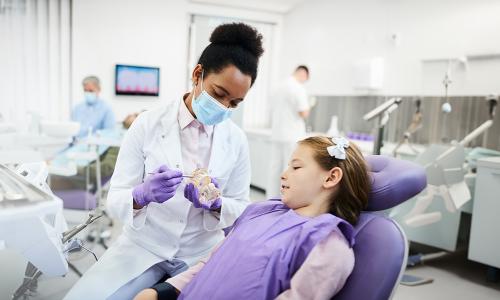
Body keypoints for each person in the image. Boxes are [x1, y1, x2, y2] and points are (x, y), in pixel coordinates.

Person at [64, 23, 264, 299]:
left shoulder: (236, 140)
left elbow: (241, 207)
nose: (224, 108)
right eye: (219, 94)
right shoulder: (147, 124)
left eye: (234, 103)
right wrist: (141, 195)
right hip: (144, 246)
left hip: (201, 250)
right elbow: (115, 199)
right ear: (198, 74)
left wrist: (217, 203)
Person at [134, 136, 371, 300]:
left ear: (330, 178)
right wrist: (162, 291)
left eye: (296, 168)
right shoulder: (261, 212)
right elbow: (209, 265)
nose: (283, 174)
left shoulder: (328, 246)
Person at [267, 65, 310, 199]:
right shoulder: (298, 87)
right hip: (292, 135)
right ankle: (285, 199)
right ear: (303, 74)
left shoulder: (278, 87)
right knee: (290, 168)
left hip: (277, 133)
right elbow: (303, 112)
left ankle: (271, 198)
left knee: (274, 168)